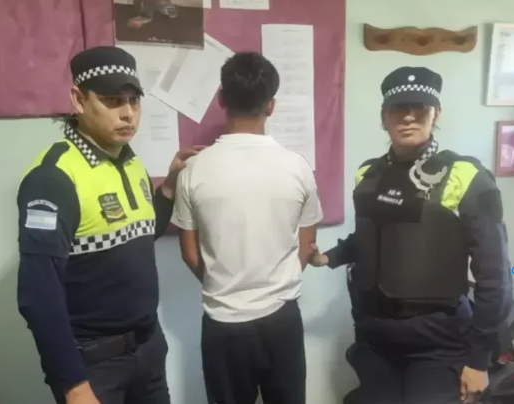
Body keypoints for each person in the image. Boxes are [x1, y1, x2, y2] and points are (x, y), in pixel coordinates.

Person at [311, 67, 514, 404]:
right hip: (374, 335)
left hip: (439, 339)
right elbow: (371, 238)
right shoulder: (369, 174)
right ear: (383, 117)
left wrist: (480, 359)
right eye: (397, 108)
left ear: (436, 114)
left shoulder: (466, 176)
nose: (408, 117)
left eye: (420, 108)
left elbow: (496, 276)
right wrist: (329, 257)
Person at [16, 46, 203, 404]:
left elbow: (141, 234)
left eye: (134, 101)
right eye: (112, 101)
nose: (128, 114)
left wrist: (168, 187)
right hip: (94, 365)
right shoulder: (53, 177)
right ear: (78, 99)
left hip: (148, 350)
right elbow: (39, 294)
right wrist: (74, 386)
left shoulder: (132, 164)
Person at [170, 51, 324, 404]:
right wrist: (274, 284)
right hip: (282, 319)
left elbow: (190, 254)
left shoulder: (193, 169)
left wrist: (226, 286)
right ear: (271, 105)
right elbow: (306, 244)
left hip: (222, 323)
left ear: (221, 99)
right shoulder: (297, 167)